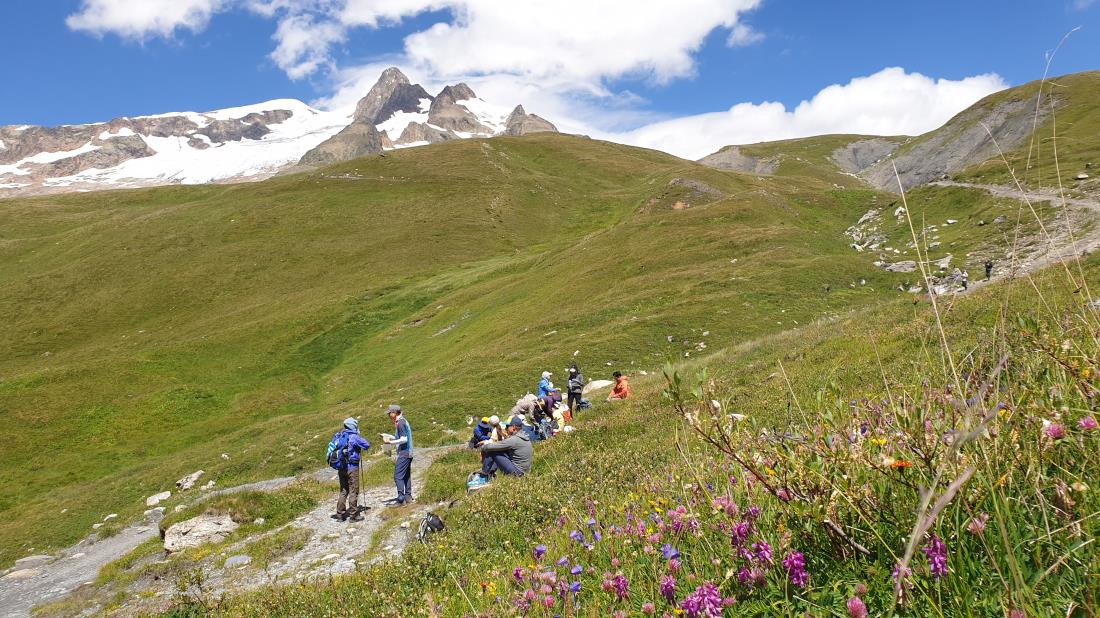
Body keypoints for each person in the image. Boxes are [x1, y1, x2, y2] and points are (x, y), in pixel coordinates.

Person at [328, 418, 372, 521]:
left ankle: (340, 515)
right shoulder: (354, 436)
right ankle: (354, 515)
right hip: (352, 467)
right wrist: (358, 435)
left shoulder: (339, 436)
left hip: (341, 467)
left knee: (343, 490)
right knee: (353, 490)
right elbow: (367, 445)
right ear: (353, 426)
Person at [382, 404, 413, 505]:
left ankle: (401, 499)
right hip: (408, 452)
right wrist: (387, 436)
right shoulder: (402, 421)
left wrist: (389, 443)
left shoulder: (400, 423)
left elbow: (404, 439)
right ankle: (408, 497)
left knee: (398, 476)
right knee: (406, 476)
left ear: (394, 413)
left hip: (405, 452)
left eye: (390, 413)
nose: (388, 415)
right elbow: (399, 437)